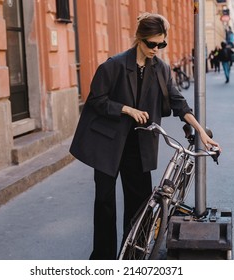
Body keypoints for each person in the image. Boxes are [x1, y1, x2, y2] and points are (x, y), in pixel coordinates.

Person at [69, 12, 221, 260]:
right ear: (139, 39)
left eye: (161, 44)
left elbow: (178, 102)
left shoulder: (161, 69)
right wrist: (125, 109)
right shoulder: (114, 66)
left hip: (139, 147)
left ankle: (131, 258)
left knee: (139, 207)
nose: (156, 49)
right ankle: (103, 260)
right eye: (152, 44)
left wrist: (201, 131)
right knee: (105, 204)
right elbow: (96, 100)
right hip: (109, 145)